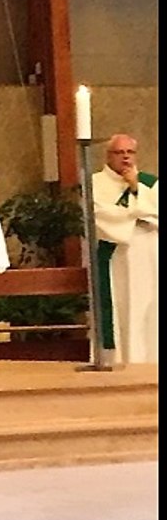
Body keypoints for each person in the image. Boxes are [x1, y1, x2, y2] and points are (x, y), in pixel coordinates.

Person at [92, 133, 158, 364]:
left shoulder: (150, 182)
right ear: (108, 156)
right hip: (116, 256)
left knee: (148, 309)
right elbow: (101, 215)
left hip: (148, 254)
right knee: (121, 307)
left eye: (130, 152)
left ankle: (150, 360)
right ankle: (118, 360)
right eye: (119, 153)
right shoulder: (95, 183)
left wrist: (135, 188)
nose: (126, 157)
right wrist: (141, 212)